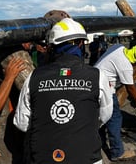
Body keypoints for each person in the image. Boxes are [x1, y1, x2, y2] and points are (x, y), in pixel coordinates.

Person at [13, 18, 113, 164]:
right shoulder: (97, 76)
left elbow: (21, 123)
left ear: (52, 46)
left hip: (43, 157)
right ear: (81, 43)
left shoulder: (34, 77)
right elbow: (105, 115)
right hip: (86, 157)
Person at [94, 44, 136, 161]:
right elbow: (130, 87)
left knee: (100, 117)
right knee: (114, 118)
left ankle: (100, 144)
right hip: (105, 88)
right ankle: (117, 152)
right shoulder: (126, 66)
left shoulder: (119, 47)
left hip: (95, 81)